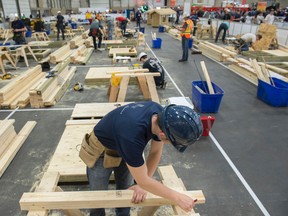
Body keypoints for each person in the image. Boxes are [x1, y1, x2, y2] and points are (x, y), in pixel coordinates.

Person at [81, 101, 203, 216]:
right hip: (101, 150)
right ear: (163, 135)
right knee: (98, 196)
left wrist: (142, 185)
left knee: (127, 190)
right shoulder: (131, 137)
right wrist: (178, 197)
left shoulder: (160, 117)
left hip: (124, 144)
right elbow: (143, 180)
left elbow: (155, 152)